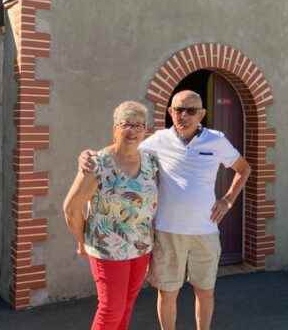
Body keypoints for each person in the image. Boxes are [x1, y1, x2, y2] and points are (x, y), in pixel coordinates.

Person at [79, 90, 251, 330]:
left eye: (191, 110)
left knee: (205, 292)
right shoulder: (157, 141)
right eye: (179, 109)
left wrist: (228, 200)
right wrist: (89, 155)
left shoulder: (216, 140)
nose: (184, 115)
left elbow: (244, 169)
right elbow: (124, 145)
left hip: (205, 231)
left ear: (202, 114)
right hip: (167, 231)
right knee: (167, 293)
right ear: (170, 112)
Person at [63, 101, 159, 330]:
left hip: (141, 247)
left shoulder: (151, 160)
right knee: (111, 309)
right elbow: (70, 207)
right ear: (115, 127)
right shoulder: (98, 163)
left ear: (146, 130)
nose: (133, 131)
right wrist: (81, 241)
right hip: (107, 249)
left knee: (126, 305)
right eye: (127, 124)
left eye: (139, 125)